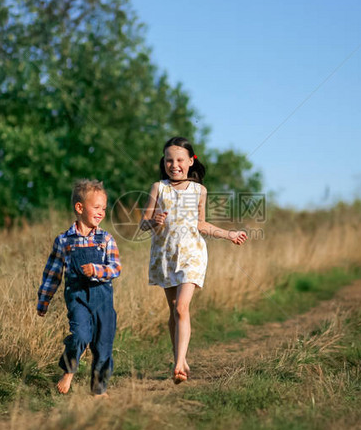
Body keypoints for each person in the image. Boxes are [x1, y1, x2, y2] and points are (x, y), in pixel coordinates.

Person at [140, 137, 248, 384]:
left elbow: (201, 223)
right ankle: (181, 356)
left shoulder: (200, 190)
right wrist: (153, 222)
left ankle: (178, 365)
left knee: (181, 307)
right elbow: (143, 223)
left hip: (192, 254)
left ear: (191, 161)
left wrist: (228, 234)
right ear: (164, 162)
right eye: (169, 160)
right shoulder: (159, 187)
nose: (174, 164)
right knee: (173, 310)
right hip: (165, 255)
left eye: (179, 160)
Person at [37, 179, 121, 397]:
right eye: (97, 207)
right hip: (77, 298)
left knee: (103, 347)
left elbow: (116, 268)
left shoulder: (106, 238)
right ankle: (68, 371)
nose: (102, 212)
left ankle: (99, 390)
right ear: (80, 208)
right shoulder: (64, 240)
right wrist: (43, 301)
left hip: (103, 300)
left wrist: (97, 270)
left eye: (104, 207)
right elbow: (52, 274)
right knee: (80, 336)